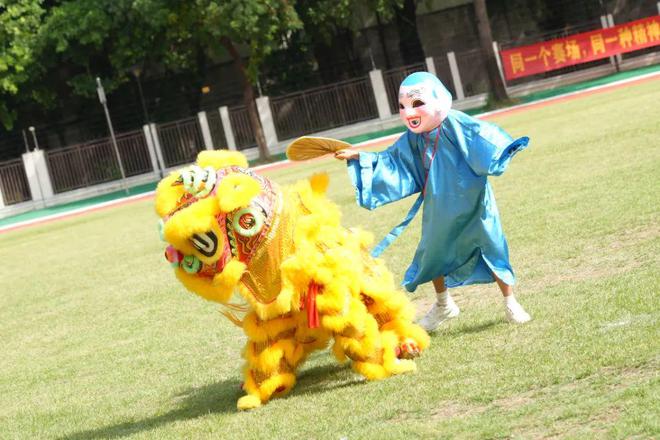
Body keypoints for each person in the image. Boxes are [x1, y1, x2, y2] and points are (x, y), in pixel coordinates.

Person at [334, 72, 531, 332]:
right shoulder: (414, 137)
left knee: (491, 244)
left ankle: (510, 301)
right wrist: (360, 156)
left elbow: (479, 135)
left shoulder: (454, 124)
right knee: (433, 250)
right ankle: (443, 304)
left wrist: (502, 149)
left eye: (417, 104)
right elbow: (393, 160)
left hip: (473, 200)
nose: (408, 112)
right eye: (403, 106)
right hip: (438, 205)